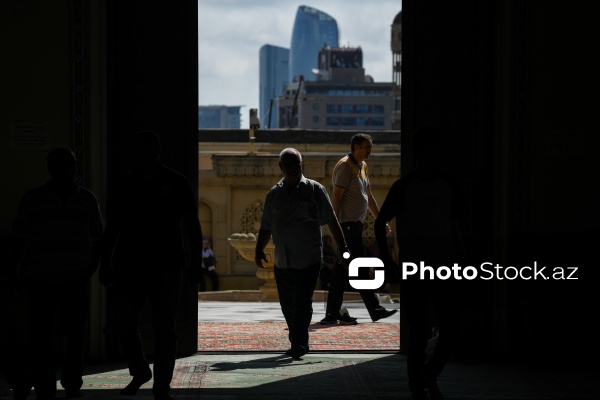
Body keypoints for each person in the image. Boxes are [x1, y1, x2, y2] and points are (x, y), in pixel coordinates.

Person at [99, 130, 203, 400]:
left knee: (164, 327)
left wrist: (195, 265)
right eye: (138, 152)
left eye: (144, 151)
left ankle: (161, 385)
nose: (140, 157)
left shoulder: (175, 182)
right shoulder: (125, 184)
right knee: (124, 322)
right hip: (131, 263)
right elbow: (112, 227)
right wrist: (106, 261)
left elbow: (192, 225)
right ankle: (141, 370)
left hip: (167, 264)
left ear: (156, 152)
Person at [374, 126, 468, 400]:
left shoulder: (447, 185)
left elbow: (458, 225)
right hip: (415, 267)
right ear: (418, 151)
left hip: (444, 266)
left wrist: (462, 257)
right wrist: (389, 261)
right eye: (429, 148)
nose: (433, 154)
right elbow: (380, 223)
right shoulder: (405, 187)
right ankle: (418, 382)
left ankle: (427, 374)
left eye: (436, 148)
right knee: (418, 331)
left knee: (450, 330)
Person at [8, 147, 104, 399]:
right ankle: (44, 386)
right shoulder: (33, 199)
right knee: (40, 339)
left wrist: (90, 269)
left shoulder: (87, 199)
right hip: (40, 279)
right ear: (51, 169)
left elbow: (97, 239)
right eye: (63, 165)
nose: (69, 170)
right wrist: (12, 273)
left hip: (74, 279)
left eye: (72, 165)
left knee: (74, 337)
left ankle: (72, 384)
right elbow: (18, 239)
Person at [255, 148, 350, 360]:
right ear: (281, 167)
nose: (292, 167)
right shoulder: (274, 194)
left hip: (308, 258)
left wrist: (343, 248)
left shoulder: (315, 190)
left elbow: (332, 221)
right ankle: (297, 341)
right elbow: (266, 225)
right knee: (287, 305)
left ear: (302, 164)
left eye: (295, 163)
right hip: (283, 260)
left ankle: (299, 343)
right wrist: (258, 248)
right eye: (287, 164)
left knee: (302, 303)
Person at [320, 133, 397, 324]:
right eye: (366, 147)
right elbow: (336, 198)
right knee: (357, 267)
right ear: (356, 147)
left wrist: (381, 220)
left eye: (370, 146)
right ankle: (374, 309)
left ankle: (333, 313)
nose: (370, 150)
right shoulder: (345, 166)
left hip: (356, 226)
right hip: (346, 226)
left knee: (343, 269)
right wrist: (335, 226)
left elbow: (368, 196)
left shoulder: (362, 166)